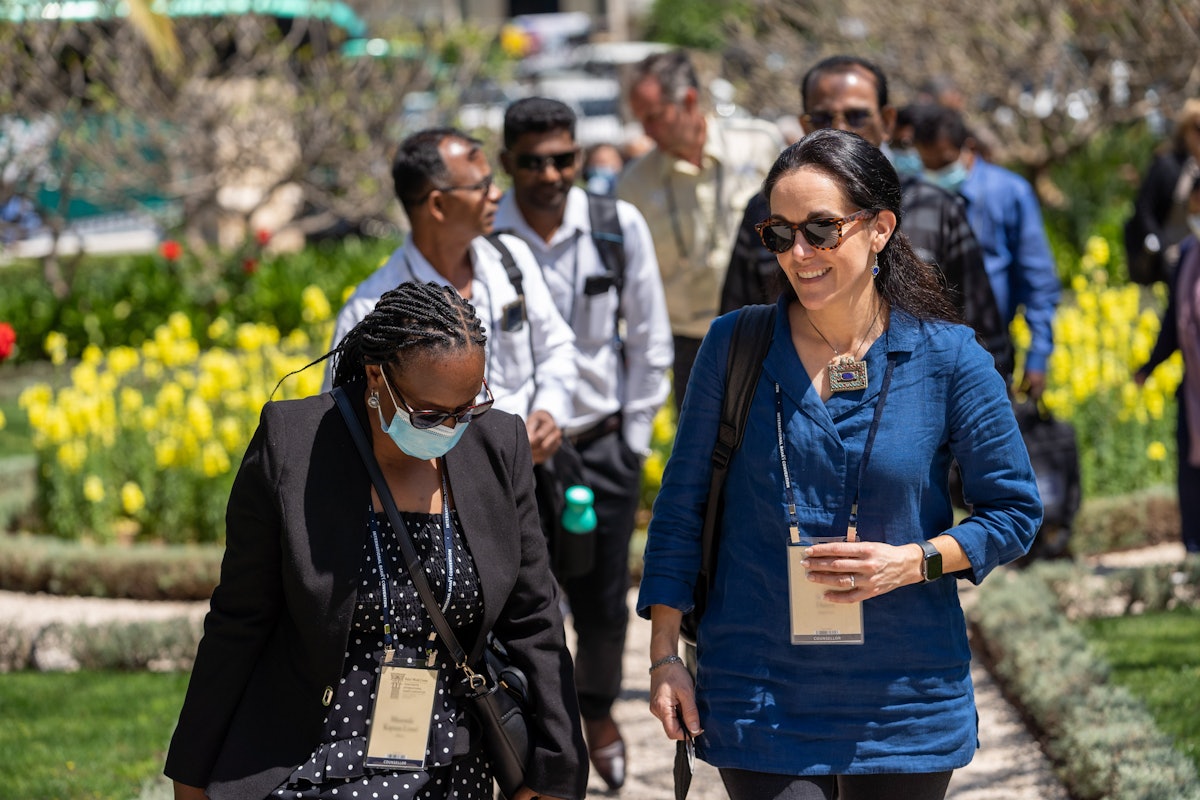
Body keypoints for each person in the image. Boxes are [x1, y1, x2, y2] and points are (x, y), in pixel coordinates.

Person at [638, 129, 1041, 800]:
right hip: (759, 686)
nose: (799, 254)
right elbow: (682, 508)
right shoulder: (733, 344)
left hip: (904, 694)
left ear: (880, 228)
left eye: (821, 230)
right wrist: (663, 658)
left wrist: (914, 562)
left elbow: (1014, 512)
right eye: (779, 233)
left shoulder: (950, 357)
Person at [166, 282, 588, 800]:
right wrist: (191, 777)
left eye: (469, 406)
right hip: (313, 756)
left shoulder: (498, 446)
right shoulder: (293, 445)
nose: (453, 427)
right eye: (430, 415)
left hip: (453, 761)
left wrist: (554, 776)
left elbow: (535, 623)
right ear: (375, 378)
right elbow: (238, 621)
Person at [494, 97, 673, 791]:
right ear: (507, 163)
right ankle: (544, 731)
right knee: (519, 601)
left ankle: (597, 714)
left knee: (601, 603)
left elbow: (650, 340)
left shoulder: (615, 224)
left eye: (563, 158)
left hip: (599, 447)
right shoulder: (487, 236)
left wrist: (629, 441)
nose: (550, 172)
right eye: (533, 161)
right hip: (510, 454)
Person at [720, 56, 1012, 380]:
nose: (839, 127)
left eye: (857, 115)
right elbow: (735, 334)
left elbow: (983, 331)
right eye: (782, 235)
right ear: (804, 126)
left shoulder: (934, 207)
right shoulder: (765, 211)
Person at [327, 127, 577, 466]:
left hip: (531, 473)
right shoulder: (370, 310)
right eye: (481, 186)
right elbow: (348, 423)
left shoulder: (511, 260)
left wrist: (549, 411)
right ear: (438, 204)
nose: (497, 195)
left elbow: (556, 347)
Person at [618, 49, 784, 412]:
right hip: (691, 343)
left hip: (767, 328)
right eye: (640, 120)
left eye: (654, 117)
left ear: (688, 100)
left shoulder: (759, 144)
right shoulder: (633, 183)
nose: (646, 131)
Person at [912, 104, 1061, 400]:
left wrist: (1038, 355)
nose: (935, 174)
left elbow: (1038, 278)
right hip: (927, 357)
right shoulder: (917, 198)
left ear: (968, 148)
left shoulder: (1009, 192)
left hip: (990, 350)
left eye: (943, 163)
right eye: (927, 165)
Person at [1134, 179, 1200, 555]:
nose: (1196, 216)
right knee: (1191, 476)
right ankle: (1194, 554)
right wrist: (1149, 366)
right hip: (1193, 391)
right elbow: (1176, 321)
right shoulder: (1188, 255)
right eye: (1194, 208)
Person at [1125, 98, 1200, 285]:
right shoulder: (1167, 165)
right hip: (1172, 256)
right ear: (1185, 130)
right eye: (1198, 128)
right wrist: (1161, 247)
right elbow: (1144, 208)